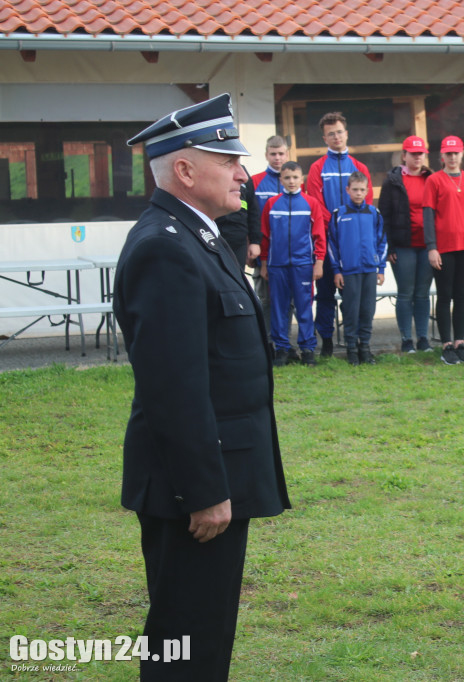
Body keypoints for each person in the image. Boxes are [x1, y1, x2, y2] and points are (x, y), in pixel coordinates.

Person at [113, 94, 290, 681]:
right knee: (184, 641)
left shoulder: (197, 234)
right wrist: (204, 491)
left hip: (213, 475)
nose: (243, 171)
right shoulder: (166, 247)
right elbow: (175, 388)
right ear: (185, 172)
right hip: (194, 489)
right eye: (228, 160)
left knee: (204, 635)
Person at [306, 112, 373, 358]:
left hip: (353, 245)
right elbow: (315, 203)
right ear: (324, 137)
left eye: (339, 132)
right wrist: (333, 227)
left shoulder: (360, 167)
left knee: (353, 298)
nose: (336, 136)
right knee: (324, 295)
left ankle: (354, 344)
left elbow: (367, 205)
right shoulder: (316, 168)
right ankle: (326, 341)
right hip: (325, 243)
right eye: (331, 133)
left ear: (347, 134)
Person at [259, 161, 328, 367]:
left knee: (304, 307)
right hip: (277, 265)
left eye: (295, 177)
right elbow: (265, 237)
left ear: (302, 179)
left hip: (303, 265)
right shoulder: (271, 204)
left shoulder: (311, 203)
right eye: (287, 177)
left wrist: (319, 262)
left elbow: (319, 236)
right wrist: (263, 263)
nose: (291, 181)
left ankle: (307, 349)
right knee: (278, 308)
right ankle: (282, 349)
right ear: (281, 179)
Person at [424, 135, 464, 366]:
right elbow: (428, 215)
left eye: (456, 153)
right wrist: (432, 247)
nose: (452, 157)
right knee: (444, 295)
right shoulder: (434, 180)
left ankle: (460, 342)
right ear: (442, 156)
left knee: (461, 296)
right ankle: (446, 344)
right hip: (444, 247)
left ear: (462, 154)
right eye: (448, 153)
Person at [380, 135, 435, 354]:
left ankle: (422, 338)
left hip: (427, 246)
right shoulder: (392, 181)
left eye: (420, 153)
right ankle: (406, 339)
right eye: (413, 154)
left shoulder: (431, 178)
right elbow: (384, 215)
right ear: (404, 156)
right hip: (403, 246)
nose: (417, 157)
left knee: (422, 293)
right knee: (405, 292)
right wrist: (389, 246)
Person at [327, 171, 387, 365]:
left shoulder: (374, 213)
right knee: (351, 311)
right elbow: (332, 245)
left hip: (369, 270)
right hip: (349, 271)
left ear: (367, 190)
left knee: (367, 310)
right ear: (347, 190)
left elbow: (382, 241)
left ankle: (365, 348)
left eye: (362, 190)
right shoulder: (339, 214)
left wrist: (381, 268)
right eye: (355, 190)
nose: (358, 193)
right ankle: (351, 349)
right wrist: (337, 270)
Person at [250, 136, 290, 327]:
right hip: (263, 255)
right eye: (273, 154)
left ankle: (286, 345)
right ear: (266, 155)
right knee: (265, 301)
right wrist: (249, 244)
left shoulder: (294, 181)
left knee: (288, 302)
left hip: (290, 255)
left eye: (281, 153)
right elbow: (246, 217)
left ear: (287, 154)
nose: (277, 158)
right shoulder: (254, 182)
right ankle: (267, 346)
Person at [214, 169, 260, 273]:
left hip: (238, 239)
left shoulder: (244, 174)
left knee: (237, 278)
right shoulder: (215, 172)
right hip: (215, 237)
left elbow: (253, 211)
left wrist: (255, 242)